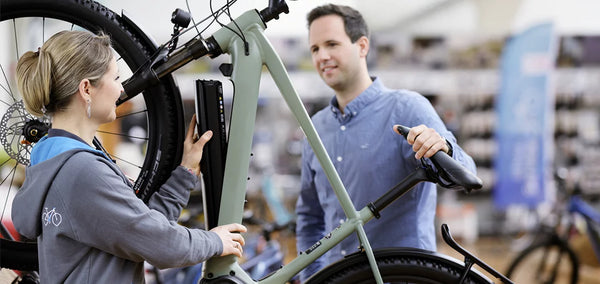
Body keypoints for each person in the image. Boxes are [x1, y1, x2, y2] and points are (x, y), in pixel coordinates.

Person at [11, 30, 246, 283]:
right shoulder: (82, 172)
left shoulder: (53, 161)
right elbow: (161, 244)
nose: (121, 89)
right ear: (87, 89)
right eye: (116, 77)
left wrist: (185, 172)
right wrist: (215, 241)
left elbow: (138, 231)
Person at [295, 4, 477, 281]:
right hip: (338, 279)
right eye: (315, 49)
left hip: (403, 276)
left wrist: (443, 148)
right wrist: (311, 276)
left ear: (362, 46)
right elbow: (310, 216)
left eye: (332, 44)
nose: (323, 56)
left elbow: (464, 172)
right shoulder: (315, 128)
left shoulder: (408, 108)